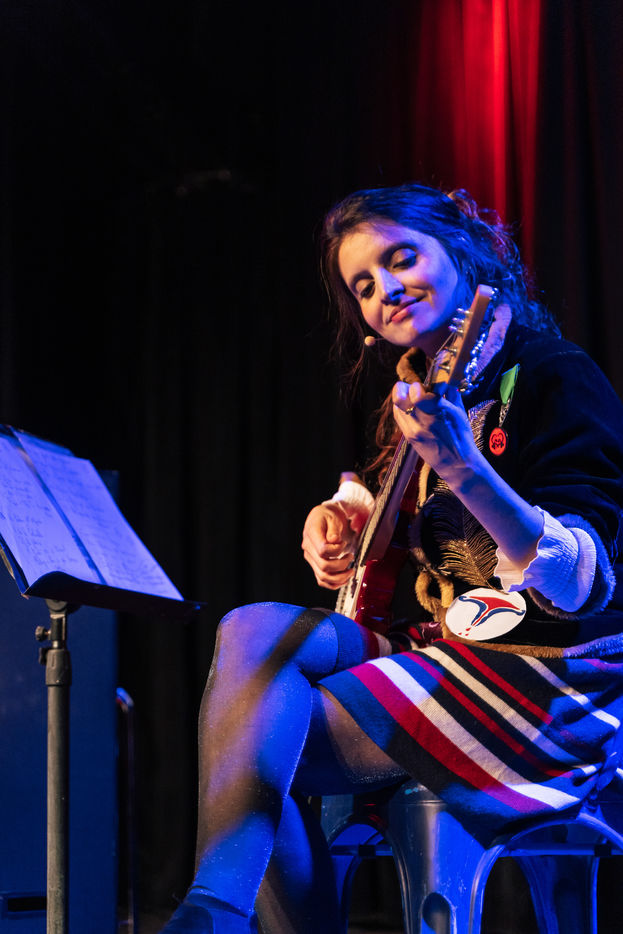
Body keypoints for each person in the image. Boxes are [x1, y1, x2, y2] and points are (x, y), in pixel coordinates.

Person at [161, 183, 623, 933]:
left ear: (462, 252)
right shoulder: (413, 402)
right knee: (250, 629)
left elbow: (580, 584)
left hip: (551, 673)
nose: (386, 290)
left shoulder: (552, 372)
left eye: (400, 258)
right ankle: (213, 909)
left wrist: (466, 469)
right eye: (363, 286)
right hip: (449, 652)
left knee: (258, 736)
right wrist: (340, 515)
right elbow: (387, 516)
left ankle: (215, 912)